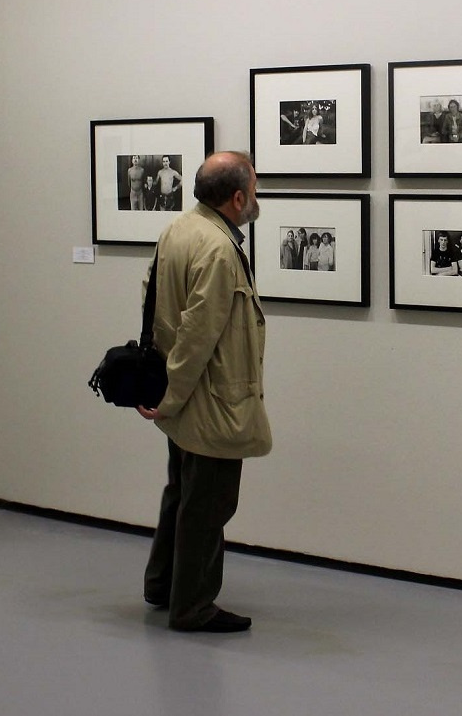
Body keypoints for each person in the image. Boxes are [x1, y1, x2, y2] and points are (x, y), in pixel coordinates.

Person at [137, 150, 271, 634]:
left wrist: (164, 388)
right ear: (236, 198)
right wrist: (170, 398)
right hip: (209, 399)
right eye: (253, 188)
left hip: (185, 392)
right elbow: (198, 335)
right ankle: (192, 606)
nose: (257, 196)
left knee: (182, 494)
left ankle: (162, 584)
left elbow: (152, 303)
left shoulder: (179, 229)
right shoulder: (217, 249)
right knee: (208, 505)